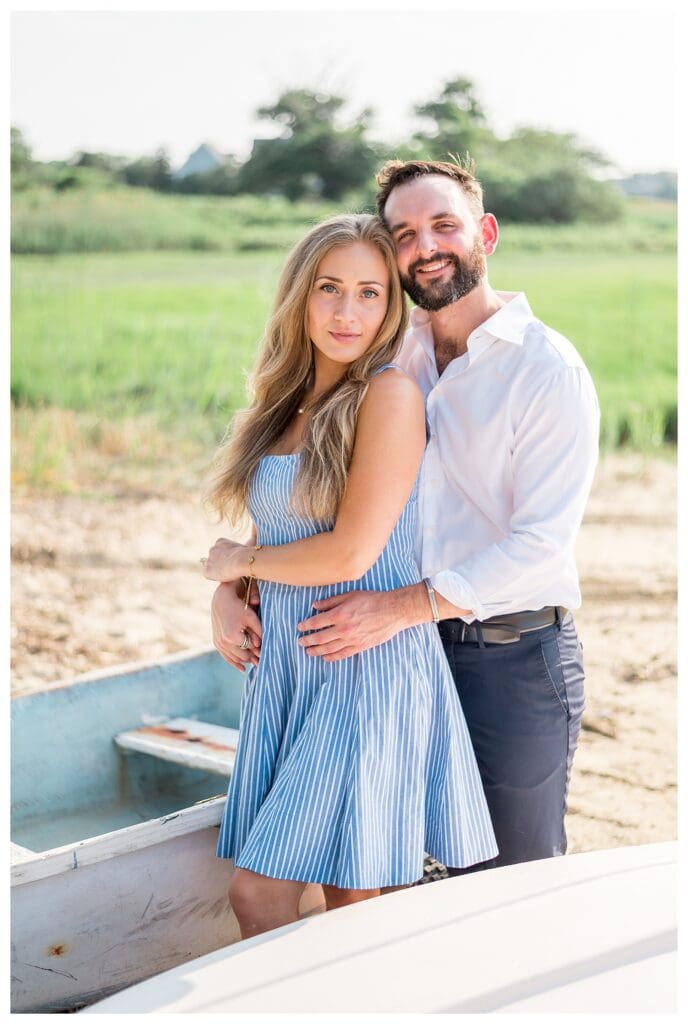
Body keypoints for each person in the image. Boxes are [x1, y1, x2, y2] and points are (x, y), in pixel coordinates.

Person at [211, 159, 599, 872]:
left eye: (444, 225)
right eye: (405, 234)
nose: (426, 247)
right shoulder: (391, 351)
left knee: (507, 878)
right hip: (398, 654)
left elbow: (541, 544)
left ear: (485, 233)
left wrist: (403, 607)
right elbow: (325, 500)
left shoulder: (545, 368)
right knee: (399, 871)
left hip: (507, 656)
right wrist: (235, 584)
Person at [202, 213, 498, 938]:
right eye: (330, 288)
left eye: (370, 293)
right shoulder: (284, 405)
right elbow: (282, 531)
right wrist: (230, 592)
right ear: (299, 294)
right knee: (355, 900)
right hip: (292, 670)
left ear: (391, 306)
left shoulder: (388, 396)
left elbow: (349, 554)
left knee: (265, 894)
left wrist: (239, 563)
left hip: (363, 668)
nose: (347, 312)